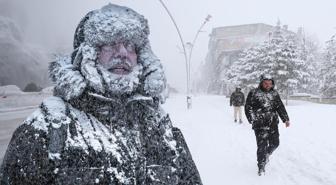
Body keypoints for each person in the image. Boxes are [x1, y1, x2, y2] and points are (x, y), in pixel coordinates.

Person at [0, 4, 202, 185]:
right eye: (110, 43)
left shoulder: (160, 125)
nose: (122, 52)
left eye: (130, 45)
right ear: (87, 54)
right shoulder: (45, 130)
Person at [245, 74, 290, 176]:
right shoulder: (254, 93)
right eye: (266, 83)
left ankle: (267, 154)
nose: (268, 85)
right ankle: (261, 166)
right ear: (261, 83)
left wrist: (285, 119)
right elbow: (248, 107)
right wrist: (252, 119)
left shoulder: (274, 93)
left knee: (275, 143)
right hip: (260, 124)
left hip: (273, 123)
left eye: (270, 83)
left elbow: (280, 107)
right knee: (262, 146)